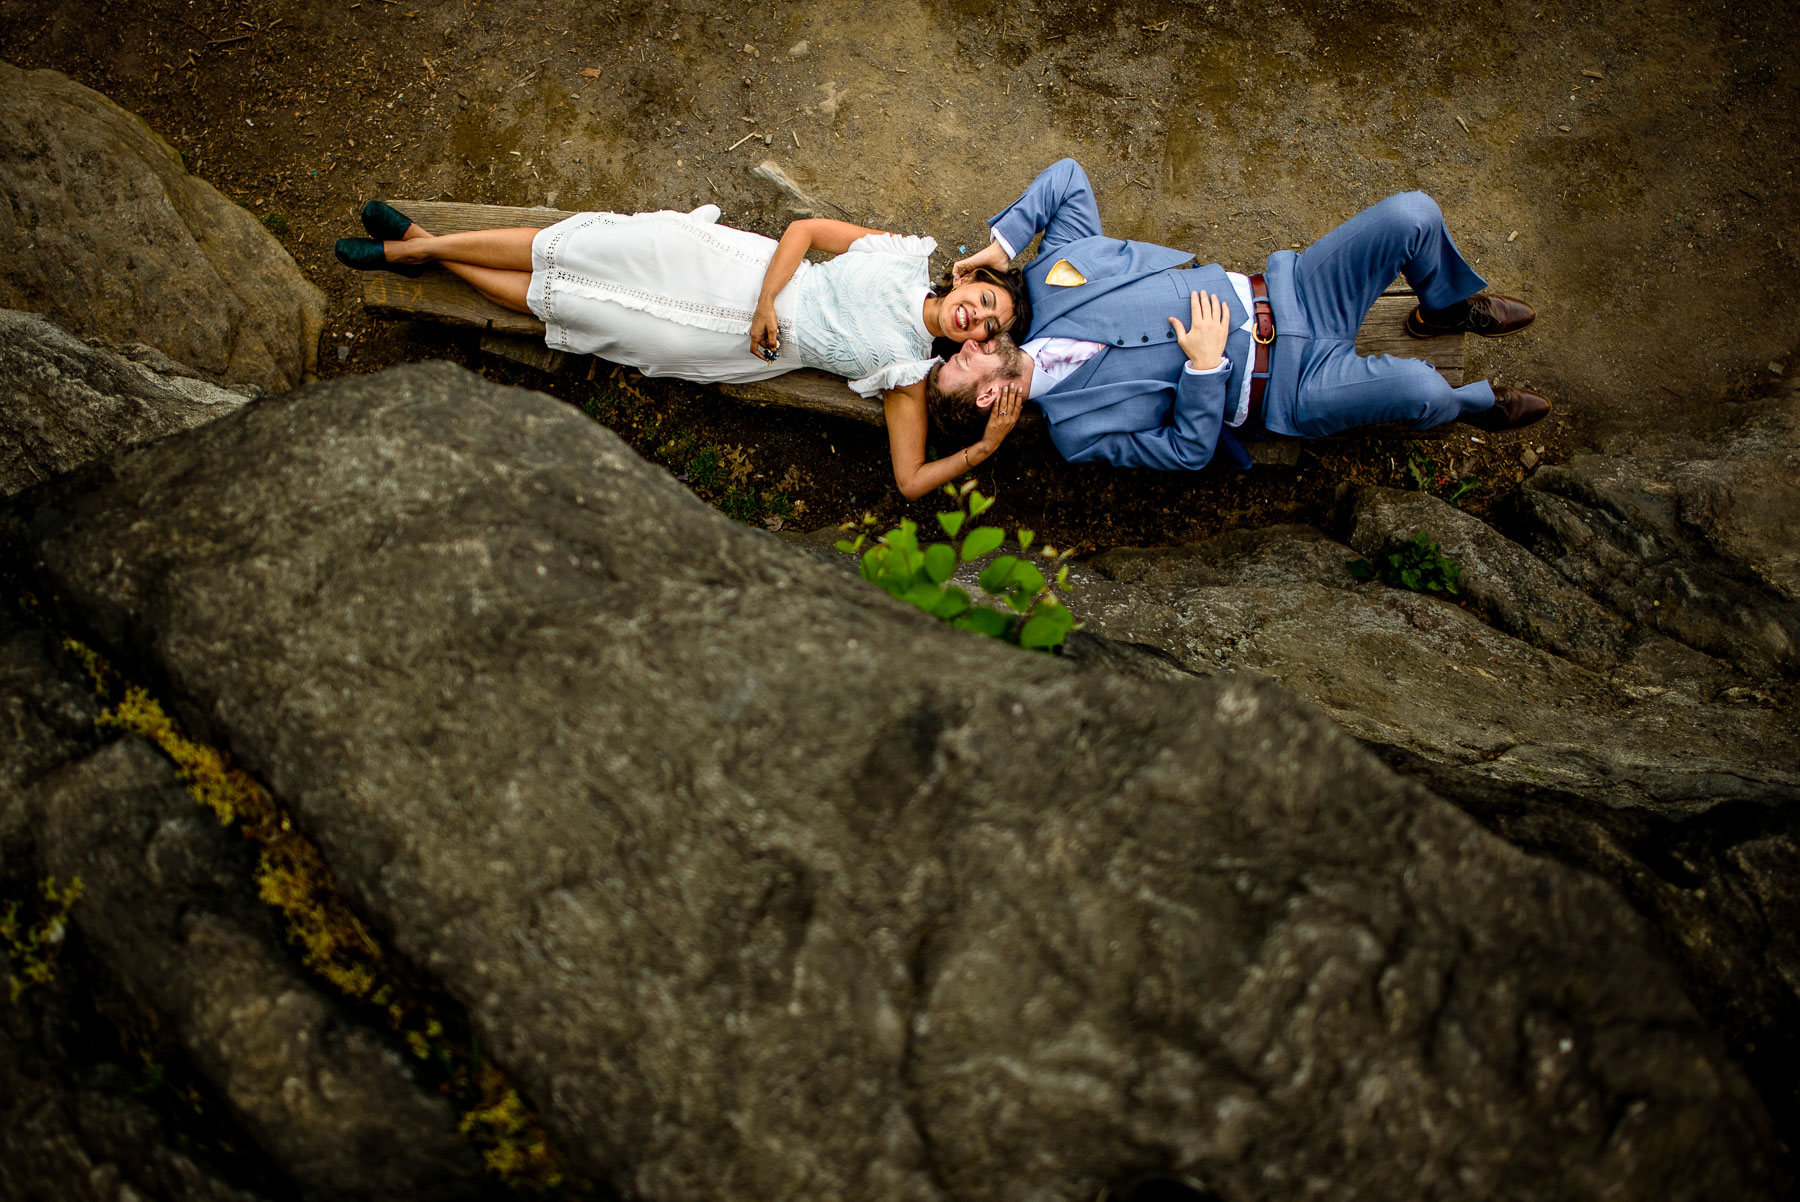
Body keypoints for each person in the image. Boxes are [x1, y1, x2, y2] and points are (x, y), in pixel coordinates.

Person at [336, 201, 1032, 498]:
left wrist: (984, 448)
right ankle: (420, 245)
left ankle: (414, 250)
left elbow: (910, 480)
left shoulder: (906, 374)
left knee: (577, 304)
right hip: (741, 271)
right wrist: (766, 299)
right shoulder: (901, 256)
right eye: (985, 301)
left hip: (718, 341)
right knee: (585, 247)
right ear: (970, 277)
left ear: (974, 347)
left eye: (984, 330)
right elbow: (804, 229)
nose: (974, 320)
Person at [934, 159, 1548, 471]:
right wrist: (1203, 370)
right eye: (963, 362)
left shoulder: (1052, 278)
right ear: (988, 399)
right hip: (1286, 387)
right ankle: (1476, 408)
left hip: (1293, 289)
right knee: (1423, 390)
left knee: (1411, 214)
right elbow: (1186, 453)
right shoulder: (1078, 435)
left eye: (960, 346)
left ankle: (1440, 310)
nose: (967, 345)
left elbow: (1067, 179)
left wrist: (1006, 243)